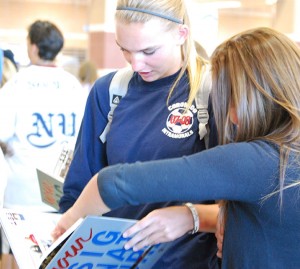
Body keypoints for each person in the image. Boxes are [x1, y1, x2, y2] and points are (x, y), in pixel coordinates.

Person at [53, 27, 300, 269]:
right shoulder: (286, 157)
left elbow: (112, 183)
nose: (230, 117)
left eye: (229, 98)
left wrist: (64, 226)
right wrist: (196, 217)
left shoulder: (254, 161)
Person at [59, 0, 220, 268]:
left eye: (149, 51)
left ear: (181, 34)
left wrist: (192, 217)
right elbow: (79, 185)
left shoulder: (214, 91)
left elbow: (243, 202)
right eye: (125, 51)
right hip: (110, 260)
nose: (136, 64)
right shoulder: (109, 92)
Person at [0, 20, 87, 269]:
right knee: (55, 257)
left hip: (23, 192)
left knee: (16, 256)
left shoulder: (16, 84)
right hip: (61, 190)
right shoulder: (73, 85)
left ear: (33, 47)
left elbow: (2, 132)